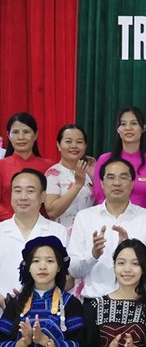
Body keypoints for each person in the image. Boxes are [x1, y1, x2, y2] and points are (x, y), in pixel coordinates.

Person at [69, 158, 146, 299]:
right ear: (101, 183)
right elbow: (74, 270)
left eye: (123, 177)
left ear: (132, 183)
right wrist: (93, 255)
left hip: (135, 303)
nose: (117, 183)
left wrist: (132, 251)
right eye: (110, 177)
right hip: (95, 301)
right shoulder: (84, 217)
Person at [0, 170, 68, 309]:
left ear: (43, 196)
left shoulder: (57, 231)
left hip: (45, 313)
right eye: (17, 191)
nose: (23, 197)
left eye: (30, 191)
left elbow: (67, 278)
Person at [93, 107, 146, 209]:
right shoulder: (105, 159)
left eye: (134, 123)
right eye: (123, 124)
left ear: (143, 128)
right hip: (109, 219)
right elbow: (99, 197)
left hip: (143, 221)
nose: (128, 128)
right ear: (118, 129)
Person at [0, 113, 54, 221]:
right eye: (15, 132)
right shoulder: (2, 166)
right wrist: (17, 220)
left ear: (36, 134)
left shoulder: (50, 167)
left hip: (42, 228)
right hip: (7, 227)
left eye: (26, 132)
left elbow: (52, 203)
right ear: (8, 135)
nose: (21, 137)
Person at [44, 124, 95, 230]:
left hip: (87, 233)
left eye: (79, 142)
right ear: (58, 145)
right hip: (62, 234)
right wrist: (77, 186)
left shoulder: (89, 171)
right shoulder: (53, 173)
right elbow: (52, 212)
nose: (74, 146)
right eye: (68, 141)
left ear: (85, 146)